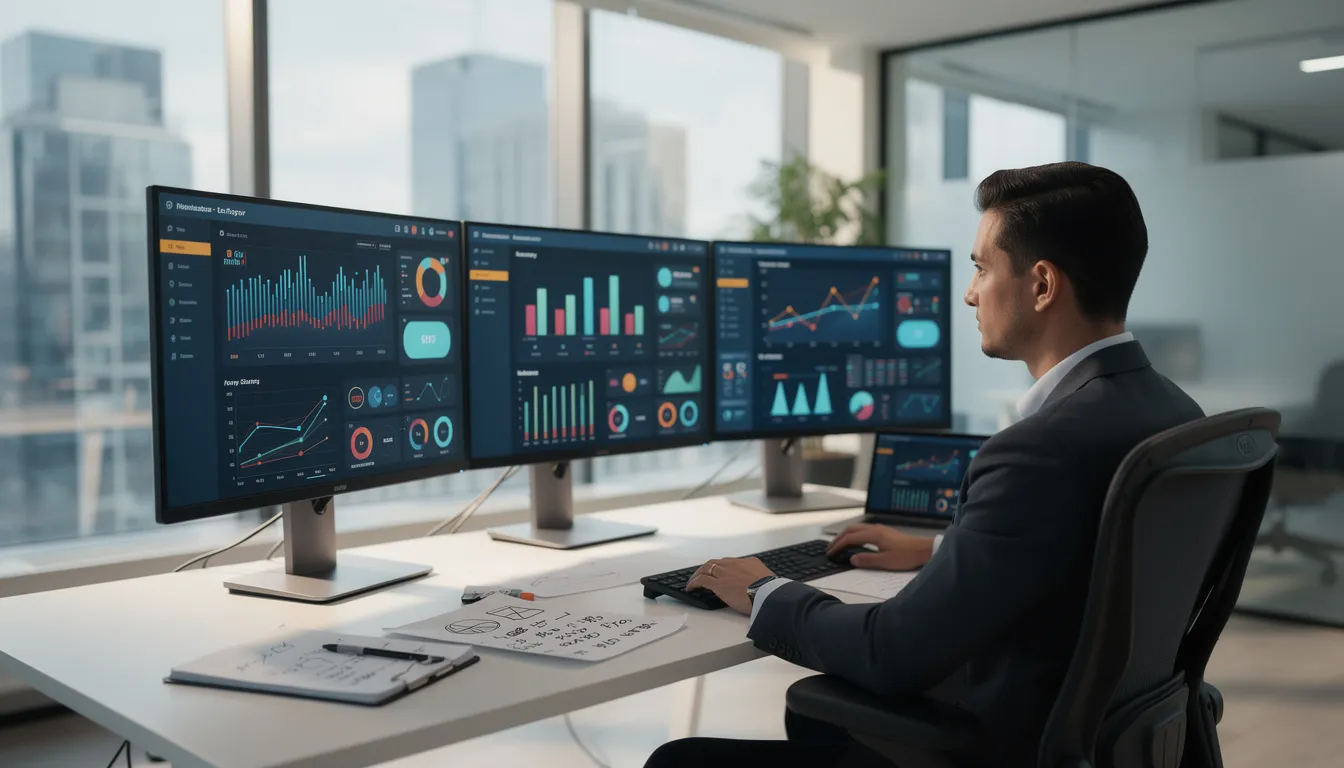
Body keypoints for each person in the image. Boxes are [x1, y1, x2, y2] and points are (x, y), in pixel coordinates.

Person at [644, 162, 1204, 768]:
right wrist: (940, 551)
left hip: (1005, 743)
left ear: (1042, 285)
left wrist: (762, 589)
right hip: (1107, 735)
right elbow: (1087, 555)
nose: (970, 293)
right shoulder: (1176, 412)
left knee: (678, 760)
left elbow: (893, 651)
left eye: (982, 268)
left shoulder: (1040, 449)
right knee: (814, 709)